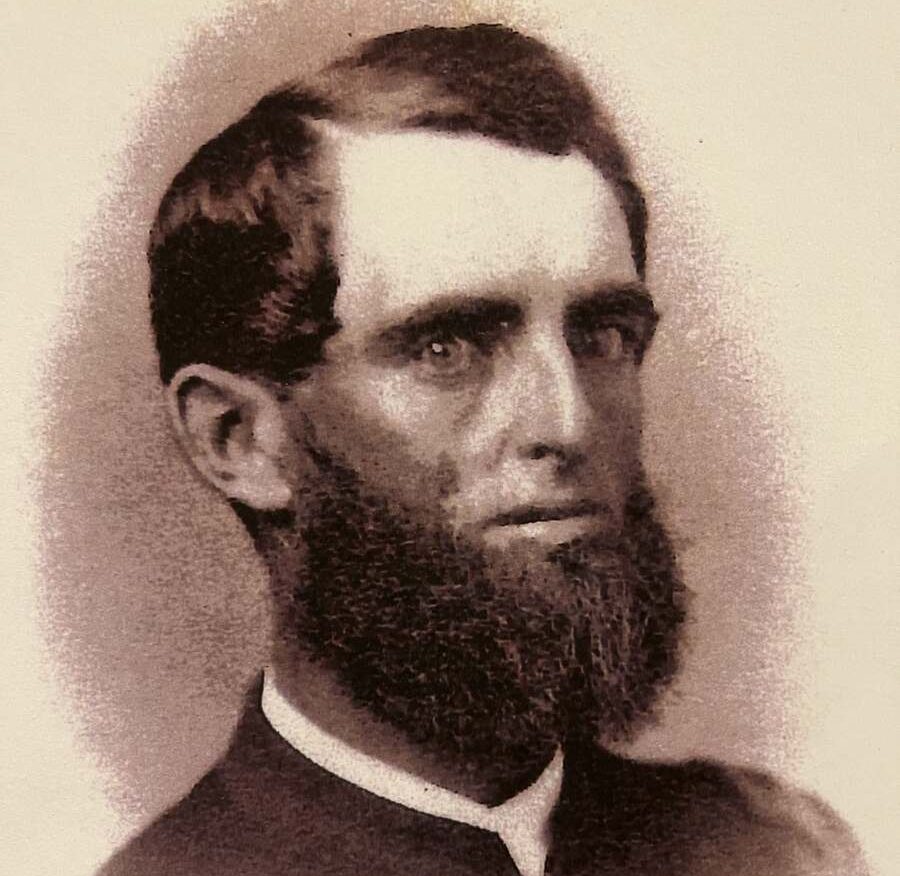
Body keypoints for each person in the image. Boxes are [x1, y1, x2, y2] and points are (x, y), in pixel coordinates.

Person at [100, 23, 867, 876]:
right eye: (445, 350)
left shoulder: (779, 850)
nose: (567, 425)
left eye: (603, 335)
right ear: (239, 440)